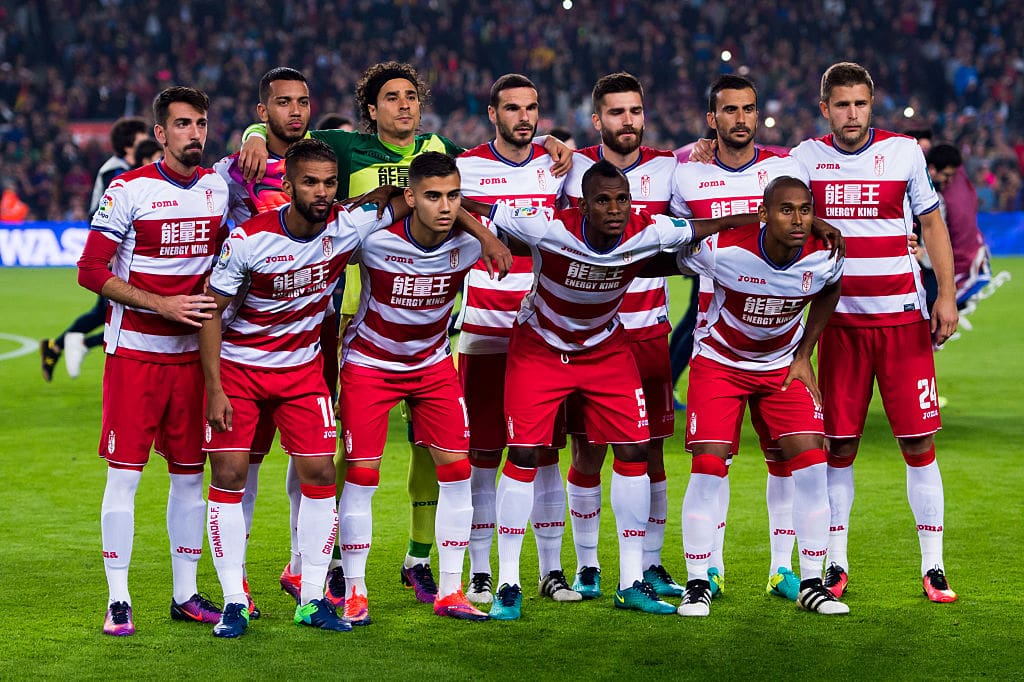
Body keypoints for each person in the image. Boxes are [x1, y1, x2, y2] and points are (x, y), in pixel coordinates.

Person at [239, 61, 572, 606]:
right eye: (391, 97)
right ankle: (321, 564)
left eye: (411, 96)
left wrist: (551, 145)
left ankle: (421, 559)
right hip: (346, 313)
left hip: (428, 331)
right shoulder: (347, 149)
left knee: (430, 452)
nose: (404, 105)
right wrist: (255, 134)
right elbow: (291, 137)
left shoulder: (440, 148)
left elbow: (460, 194)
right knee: (332, 451)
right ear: (371, 109)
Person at [462, 160, 757, 619]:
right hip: (540, 348)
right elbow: (470, 205)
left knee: (636, 452)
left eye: (622, 199)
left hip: (604, 349)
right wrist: (482, 236)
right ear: (582, 204)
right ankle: (508, 583)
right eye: (603, 200)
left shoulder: (649, 229)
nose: (615, 209)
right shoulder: (546, 226)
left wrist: (804, 221)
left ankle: (631, 581)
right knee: (522, 456)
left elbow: (711, 224)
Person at [199, 139, 407, 637]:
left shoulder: (347, 224)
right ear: (288, 186)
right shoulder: (248, 239)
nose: (320, 192)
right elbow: (209, 312)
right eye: (309, 182)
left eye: (329, 183)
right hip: (241, 368)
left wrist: (384, 193)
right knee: (229, 473)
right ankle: (234, 599)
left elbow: (420, 192)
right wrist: (213, 389)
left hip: (301, 371)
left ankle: (312, 597)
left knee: (318, 472)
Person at [789, 62, 959, 603]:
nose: (852, 113)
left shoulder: (905, 152)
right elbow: (748, 180)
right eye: (842, 104)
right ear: (825, 109)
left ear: (872, 104)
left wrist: (947, 296)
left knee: (918, 442)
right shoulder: (804, 159)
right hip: (837, 326)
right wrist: (699, 148)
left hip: (903, 321)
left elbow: (931, 222)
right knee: (838, 446)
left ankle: (933, 566)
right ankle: (836, 564)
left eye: (860, 103)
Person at [77, 86, 229, 636]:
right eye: (183, 124)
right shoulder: (128, 190)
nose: (195, 133)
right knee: (125, 477)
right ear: (160, 134)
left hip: (192, 361)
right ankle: (118, 599)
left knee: (191, 478)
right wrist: (161, 303)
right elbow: (91, 270)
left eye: (201, 123)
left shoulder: (217, 188)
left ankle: (185, 593)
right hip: (135, 357)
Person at [336, 151, 510, 625]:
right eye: (432, 196)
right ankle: (354, 591)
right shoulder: (372, 241)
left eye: (453, 195)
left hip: (432, 365)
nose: (445, 206)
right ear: (410, 198)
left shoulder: (469, 245)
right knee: (363, 476)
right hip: (370, 363)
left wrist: (486, 233)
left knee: (458, 471)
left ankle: (451, 590)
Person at [672, 176, 848, 617]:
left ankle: (811, 581)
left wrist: (806, 352)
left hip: (781, 368)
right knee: (709, 465)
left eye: (805, 210)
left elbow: (831, 288)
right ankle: (698, 581)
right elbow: (675, 252)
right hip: (720, 364)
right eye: (786, 210)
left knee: (811, 464)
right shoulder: (724, 251)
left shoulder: (825, 254)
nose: (798, 219)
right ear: (764, 213)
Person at [671, 74, 812, 603]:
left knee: (785, 459)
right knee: (714, 459)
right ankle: (710, 569)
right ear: (713, 119)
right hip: (718, 330)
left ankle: (783, 569)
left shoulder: (786, 168)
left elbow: (814, 225)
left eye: (748, 109)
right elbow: (670, 238)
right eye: (729, 111)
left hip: (780, 334)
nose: (740, 119)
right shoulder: (688, 173)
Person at [560, 72, 684, 600]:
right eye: (616, 113)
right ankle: (588, 565)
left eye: (635, 111)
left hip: (649, 332)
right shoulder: (569, 168)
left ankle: (650, 564)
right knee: (588, 452)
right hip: (590, 337)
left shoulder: (673, 167)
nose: (627, 121)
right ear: (597, 120)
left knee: (651, 453)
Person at [454, 74, 577, 605]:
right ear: (492, 113)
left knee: (544, 453)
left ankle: (551, 569)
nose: (523, 117)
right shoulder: (467, 166)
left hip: (545, 335)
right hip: (483, 331)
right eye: (512, 108)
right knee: (484, 454)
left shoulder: (560, 167)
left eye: (531, 108)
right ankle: (482, 570)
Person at [212, 67, 320, 613]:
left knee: (313, 461)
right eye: (283, 103)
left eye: (303, 102)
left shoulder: (328, 163)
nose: (295, 112)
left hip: (312, 335)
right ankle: (239, 582)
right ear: (263, 111)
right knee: (242, 464)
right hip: (245, 341)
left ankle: (301, 569)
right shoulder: (232, 173)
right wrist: (249, 143)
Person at [41, 116, 148, 381]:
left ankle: (58, 346)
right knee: (124, 311)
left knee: (105, 311)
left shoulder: (126, 167)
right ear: (129, 142)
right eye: (142, 136)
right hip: (113, 250)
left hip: (121, 250)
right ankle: (68, 346)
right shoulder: (116, 171)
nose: (147, 139)